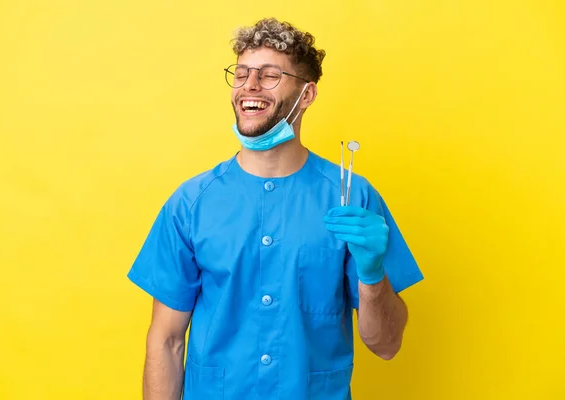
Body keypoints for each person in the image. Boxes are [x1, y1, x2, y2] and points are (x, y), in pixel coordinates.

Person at [127, 17, 424, 400]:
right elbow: (166, 342)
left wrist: (371, 276)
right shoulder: (190, 203)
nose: (249, 86)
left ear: (307, 95)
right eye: (242, 73)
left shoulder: (353, 197)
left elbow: (387, 345)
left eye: (269, 75)